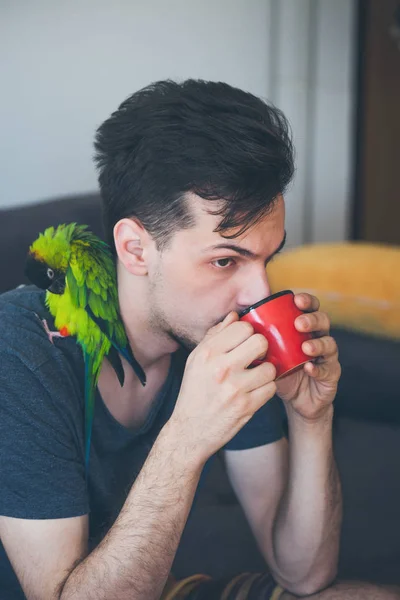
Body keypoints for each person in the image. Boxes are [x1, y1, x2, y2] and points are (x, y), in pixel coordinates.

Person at [0, 79, 397, 600]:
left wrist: (311, 417)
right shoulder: (22, 351)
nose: (258, 294)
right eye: (226, 261)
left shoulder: (221, 335)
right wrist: (188, 436)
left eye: (266, 258)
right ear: (136, 249)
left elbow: (303, 574)